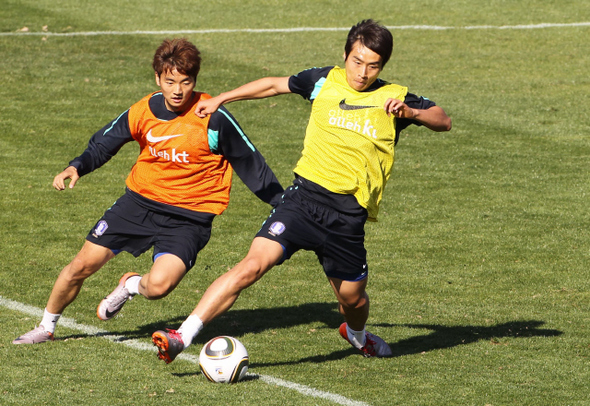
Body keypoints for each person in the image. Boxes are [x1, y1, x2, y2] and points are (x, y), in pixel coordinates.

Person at [151, 19, 451, 362]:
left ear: (382, 66)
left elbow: (443, 119)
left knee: (353, 300)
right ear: (345, 55)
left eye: (373, 65)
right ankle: (181, 335)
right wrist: (222, 97)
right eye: (357, 61)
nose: (362, 72)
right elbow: (274, 85)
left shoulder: (394, 97)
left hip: (346, 218)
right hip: (303, 201)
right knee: (251, 265)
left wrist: (412, 112)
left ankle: (357, 335)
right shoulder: (324, 80)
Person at [13, 38, 283, 344]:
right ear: (158, 79)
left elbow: (251, 164)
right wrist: (77, 166)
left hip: (188, 219)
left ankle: (130, 285)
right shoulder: (145, 110)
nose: (178, 90)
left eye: (186, 81)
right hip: (137, 205)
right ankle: (46, 327)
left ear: (195, 80)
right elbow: (105, 142)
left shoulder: (213, 117)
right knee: (81, 266)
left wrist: (283, 203)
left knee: (158, 288)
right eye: (170, 81)